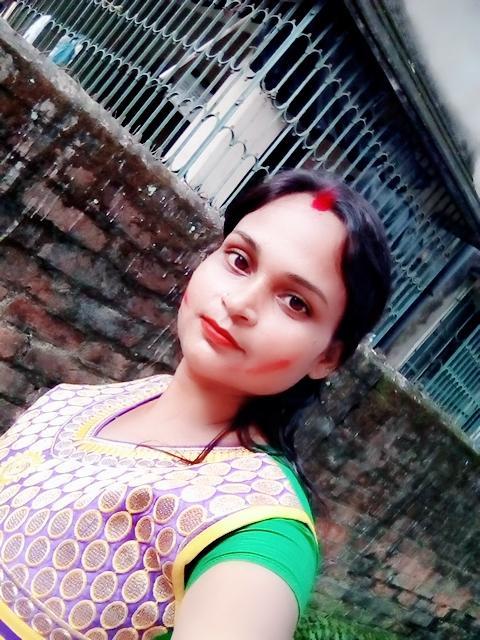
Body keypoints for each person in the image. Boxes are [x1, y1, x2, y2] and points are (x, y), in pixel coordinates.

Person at [0, 169, 391, 640]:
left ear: (327, 357)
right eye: (240, 260)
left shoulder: (256, 528)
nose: (241, 302)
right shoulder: (98, 400)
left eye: (294, 302)